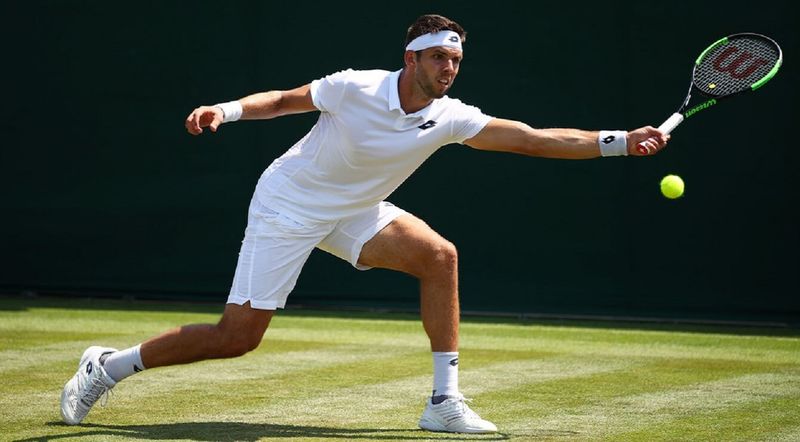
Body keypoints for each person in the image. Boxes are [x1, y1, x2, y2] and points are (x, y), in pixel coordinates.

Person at [60, 14, 668, 433]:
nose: (448, 68)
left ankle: (444, 401)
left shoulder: (451, 115)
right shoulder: (355, 87)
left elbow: (532, 138)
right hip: (289, 205)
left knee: (440, 257)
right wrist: (227, 109)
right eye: (438, 57)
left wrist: (618, 141)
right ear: (411, 58)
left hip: (355, 209)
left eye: (455, 60)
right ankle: (108, 367)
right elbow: (284, 100)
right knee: (237, 337)